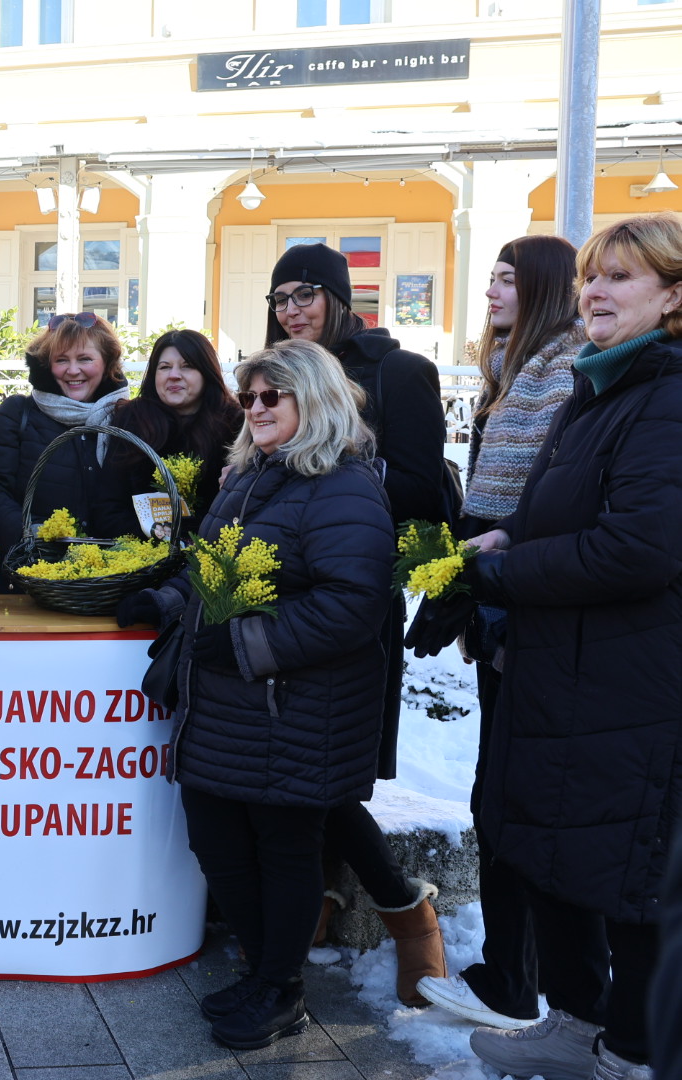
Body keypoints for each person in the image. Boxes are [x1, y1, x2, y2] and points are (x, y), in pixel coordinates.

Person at [115, 338, 394, 1050]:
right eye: (250, 397)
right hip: (229, 706)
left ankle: (281, 987)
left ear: (317, 400)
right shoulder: (250, 474)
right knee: (219, 843)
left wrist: (240, 645)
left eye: (275, 396)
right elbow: (213, 569)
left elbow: (348, 606)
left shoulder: (342, 485)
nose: (258, 408)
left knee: (283, 850)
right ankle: (265, 971)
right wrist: (167, 598)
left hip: (294, 708)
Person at [464, 212, 682, 1080]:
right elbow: (568, 513)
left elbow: (640, 547)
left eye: (621, 277)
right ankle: (576, 1022)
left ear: (673, 297)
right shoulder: (603, 386)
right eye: (592, 275)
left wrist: (505, 575)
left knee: (627, 871)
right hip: (571, 671)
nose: (595, 291)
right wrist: (508, 534)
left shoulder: (666, 394)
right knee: (560, 851)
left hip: (631, 680)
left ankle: (630, 1048)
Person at [410, 235, 585, 1030]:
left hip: (531, 607)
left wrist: (487, 571)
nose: (489, 293)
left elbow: (545, 502)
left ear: (544, 288)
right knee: (502, 788)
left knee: (510, 793)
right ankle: (523, 974)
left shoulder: (562, 371)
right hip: (501, 595)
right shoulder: (515, 369)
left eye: (506, 280)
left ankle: (519, 982)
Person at [265, 242, 448, 1004]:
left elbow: (424, 485)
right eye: (281, 297)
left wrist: (336, 459)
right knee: (283, 753)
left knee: (329, 760)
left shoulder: (399, 372)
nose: (293, 308)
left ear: (339, 298)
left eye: (307, 293)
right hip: (278, 591)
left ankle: (407, 913)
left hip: (354, 591)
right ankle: (325, 895)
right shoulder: (270, 372)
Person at [0, 312, 132, 559]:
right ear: (47, 365)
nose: (73, 370)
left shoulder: (128, 418)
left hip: (115, 577)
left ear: (107, 362)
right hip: (33, 570)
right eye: (61, 360)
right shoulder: (16, 414)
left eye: (85, 358)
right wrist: (31, 536)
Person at [108, 328, 241, 536]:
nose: (174, 376)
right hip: (138, 548)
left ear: (206, 373)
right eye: (164, 367)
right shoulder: (131, 420)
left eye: (187, 366)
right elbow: (110, 503)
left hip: (210, 547)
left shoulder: (235, 424)